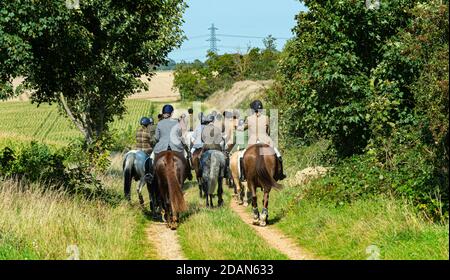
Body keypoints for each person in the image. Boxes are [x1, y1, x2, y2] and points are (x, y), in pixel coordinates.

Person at [237, 100, 286, 181]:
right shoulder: (266, 118)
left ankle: (243, 175)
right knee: (278, 155)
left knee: (241, 156)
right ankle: (280, 174)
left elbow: (241, 129)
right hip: (266, 141)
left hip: (252, 143)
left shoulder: (249, 119)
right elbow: (268, 131)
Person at [152, 104, 193, 180]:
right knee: (187, 155)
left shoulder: (159, 124)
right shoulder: (177, 123)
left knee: (152, 158)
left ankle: (151, 174)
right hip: (176, 147)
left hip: (161, 147)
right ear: (171, 113)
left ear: (163, 113)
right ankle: (188, 172)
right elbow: (180, 135)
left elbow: (157, 137)